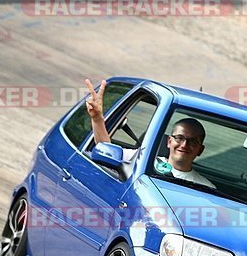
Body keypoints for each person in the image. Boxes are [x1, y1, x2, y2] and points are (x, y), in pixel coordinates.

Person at [84, 79, 215, 188]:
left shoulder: (206, 188)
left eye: (192, 141)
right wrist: (97, 119)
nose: (184, 144)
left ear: (200, 150)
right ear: (169, 141)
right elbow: (105, 149)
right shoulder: (142, 159)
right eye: (179, 138)